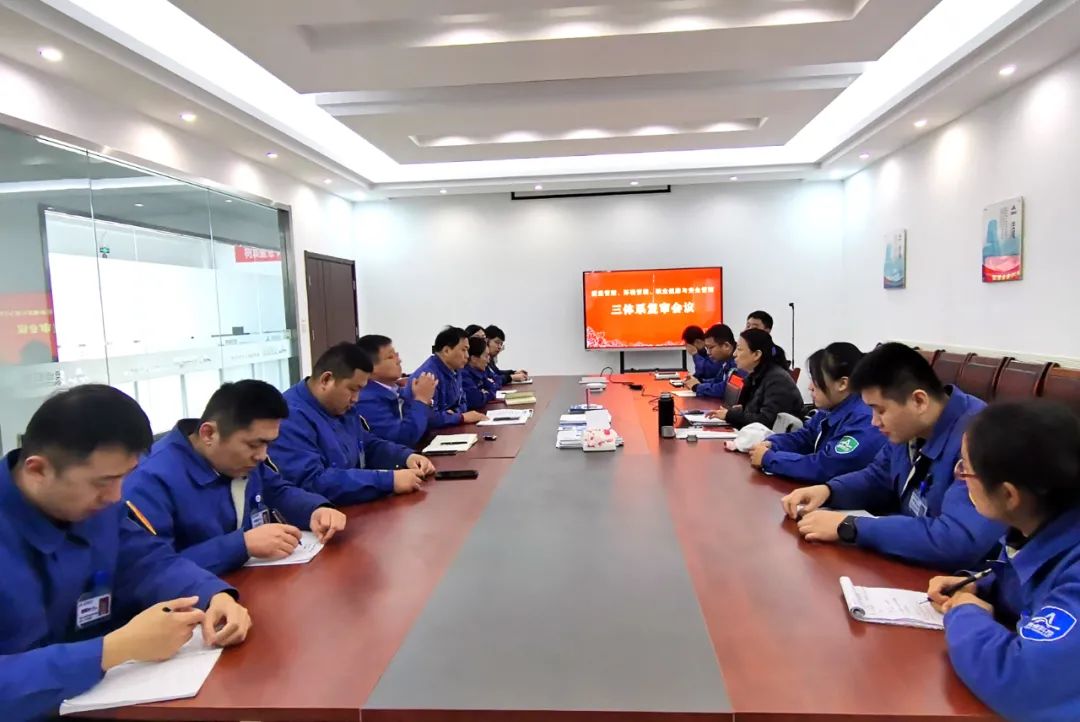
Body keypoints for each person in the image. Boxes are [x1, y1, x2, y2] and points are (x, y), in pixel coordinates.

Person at [0, 385, 251, 720]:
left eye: (124, 478)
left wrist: (213, 595)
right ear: (37, 470)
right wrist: (111, 650)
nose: (116, 496)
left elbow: (147, 561)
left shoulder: (98, 508)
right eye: (102, 482)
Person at [781, 342, 1005, 570]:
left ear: (919, 401)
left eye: (880, 410)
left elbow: (957, 540)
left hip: (964, 579)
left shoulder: (980, 438)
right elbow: (877, 477)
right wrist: (829, 491)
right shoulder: (910, 428)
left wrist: (851, 527)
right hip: (910, 562)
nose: (874, 421)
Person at [928, 400, 1080, 722]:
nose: (959, 476)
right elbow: (1027, 581)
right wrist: (980, 586)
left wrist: (966, 612)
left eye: (966, 468)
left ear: (1009, 495)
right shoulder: (1041, 527)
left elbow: (1023, 682)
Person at [123, 380, 346, 575]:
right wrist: (241, 545)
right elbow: (152, 571)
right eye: (254, 444)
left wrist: (315, 510)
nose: (262, 455)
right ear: (209, 433)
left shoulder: (242, 460)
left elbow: (277, 491)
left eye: (268, 443)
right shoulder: (150, 480)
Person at [272, 342, 436, 505]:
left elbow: (367, 445)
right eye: (352, 389)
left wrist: (405, 457)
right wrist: (388, 481)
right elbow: (313, 482)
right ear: (326, 380)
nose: (356, 399)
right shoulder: (289, 417)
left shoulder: (340, 406)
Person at [749, 343, 885, 484]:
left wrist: (770, 459)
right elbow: (805, 437)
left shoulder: (864, 419)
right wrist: (772, 444)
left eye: (816, 380)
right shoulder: (829, 408)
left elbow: (827, 467)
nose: (810, 387)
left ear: (842, 384)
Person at [705, 328, 802, 429]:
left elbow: (767, 422)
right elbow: (754, 411)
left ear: (756, 355)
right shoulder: (755, 375)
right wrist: (739, 411)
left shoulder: (777, 380)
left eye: (739, 349)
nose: (734, 354)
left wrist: (730, 415)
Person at [354, 334, 437, 447]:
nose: (399, 361)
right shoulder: (366, 399)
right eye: (390, 357)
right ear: (370, 367)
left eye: (396, 355)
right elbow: (402, 438)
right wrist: (421, 400)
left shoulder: (396, 390)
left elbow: (426, 422)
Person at [403, 327, 488, 427]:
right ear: (446, 351)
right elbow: (427, 418)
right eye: (463, 350)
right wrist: (461, 417)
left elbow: (463, 402)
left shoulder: (456, 370)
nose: (467, 356)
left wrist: (454, 414)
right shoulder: (427, 376)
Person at [683, 324, 738, 398]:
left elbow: (727, 389)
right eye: (707, 348)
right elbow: (718, 380)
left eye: (711, 347)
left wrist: (697, 386)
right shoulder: (726, 361)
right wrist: (699, 381)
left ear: (726, 346)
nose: (708, 352)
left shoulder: (738, 362)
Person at [462, 337, 500, 411]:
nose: (488, 361)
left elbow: (495, 383)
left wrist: (486, 392)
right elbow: (476, 400)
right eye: (486, 356)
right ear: (474, 358)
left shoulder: (480, 371)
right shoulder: (464, 374)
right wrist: (487, 393)